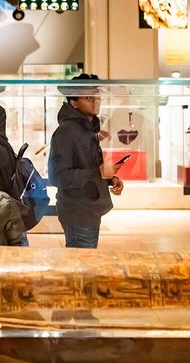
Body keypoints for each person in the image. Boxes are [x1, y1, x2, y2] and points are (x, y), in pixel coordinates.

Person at [48, 73, 123, 250]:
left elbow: (89, 167)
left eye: (97, 96)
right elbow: (58, 177)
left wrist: (109, 179)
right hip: (78, 211)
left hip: (88, 208)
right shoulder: (66, 132)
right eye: (89, 97)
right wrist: (98, 173)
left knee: (83, 266)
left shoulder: (86, 128)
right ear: (74, 102)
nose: (96, 101)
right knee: (79, 269)